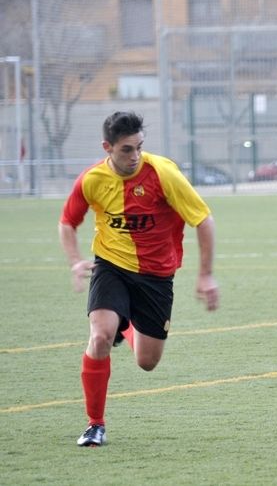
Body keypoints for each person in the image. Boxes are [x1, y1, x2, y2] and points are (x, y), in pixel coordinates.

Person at [58, 111, 219, 447]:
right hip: (111, 266)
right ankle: (94, 424)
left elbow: (203, 220)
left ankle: (126, 325)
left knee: (147, 362)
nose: (135, 157)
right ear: (108, 147)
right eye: (126, 150)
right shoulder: (91, 180)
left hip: (156, 275)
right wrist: (74, 261)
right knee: (100, 336)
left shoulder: (163, 174)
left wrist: (205, 275)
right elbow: (67, 222)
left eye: (139, 148)